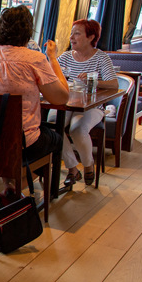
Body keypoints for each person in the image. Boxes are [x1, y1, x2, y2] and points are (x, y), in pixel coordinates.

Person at [0, 5, 69, 202]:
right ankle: (22, 187)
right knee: (54, 139)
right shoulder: (35, 59)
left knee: (10, 133)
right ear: (28, 31)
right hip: (22, 143)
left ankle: (10, 187)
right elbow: (61, 98)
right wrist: (52, 57)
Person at [51, 19, 117, 186]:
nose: (71, 37)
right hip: (66, 103)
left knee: (77, 129)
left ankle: (88, 165)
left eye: (77, 34)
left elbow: (114, 84)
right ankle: (72, 168)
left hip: (92, 106)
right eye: (71, 33)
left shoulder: (101, 58)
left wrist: (93, 80)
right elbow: (51, 77)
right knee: (52, 126)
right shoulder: (66, 57)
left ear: (91, 37)